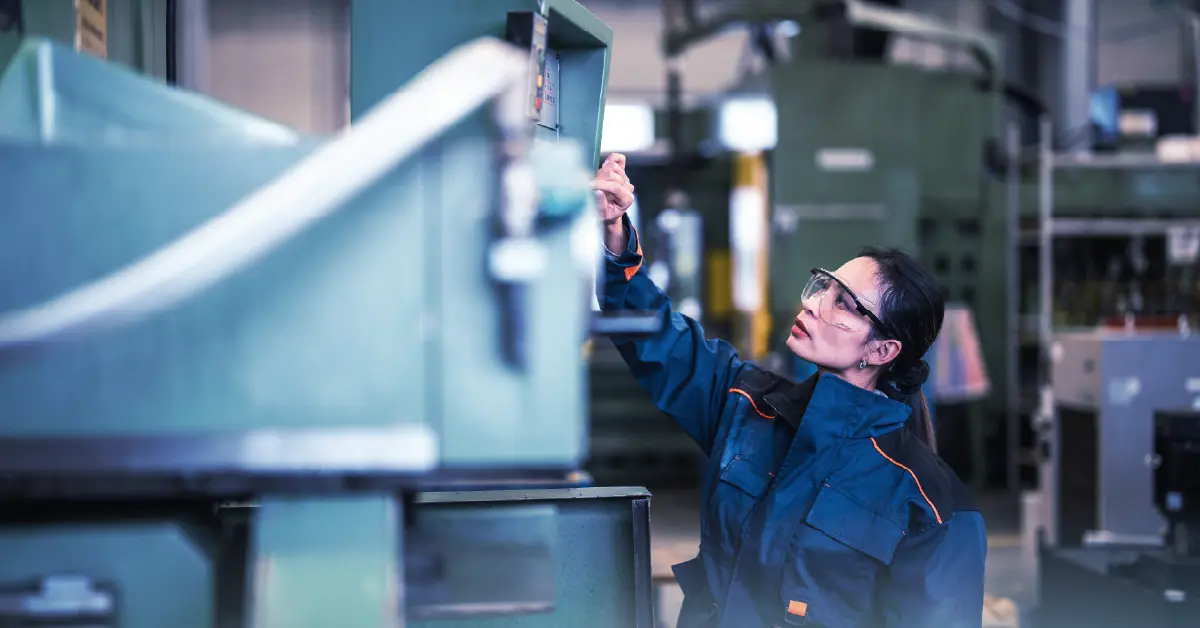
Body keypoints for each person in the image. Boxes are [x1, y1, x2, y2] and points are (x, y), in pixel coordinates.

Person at [591, 153, 986, 627]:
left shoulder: (931, 505)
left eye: (844, 303)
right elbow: (658, 339)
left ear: (881, 351)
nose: (813, 304)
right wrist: (616, 239)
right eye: (823, 286)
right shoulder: (746, 407)